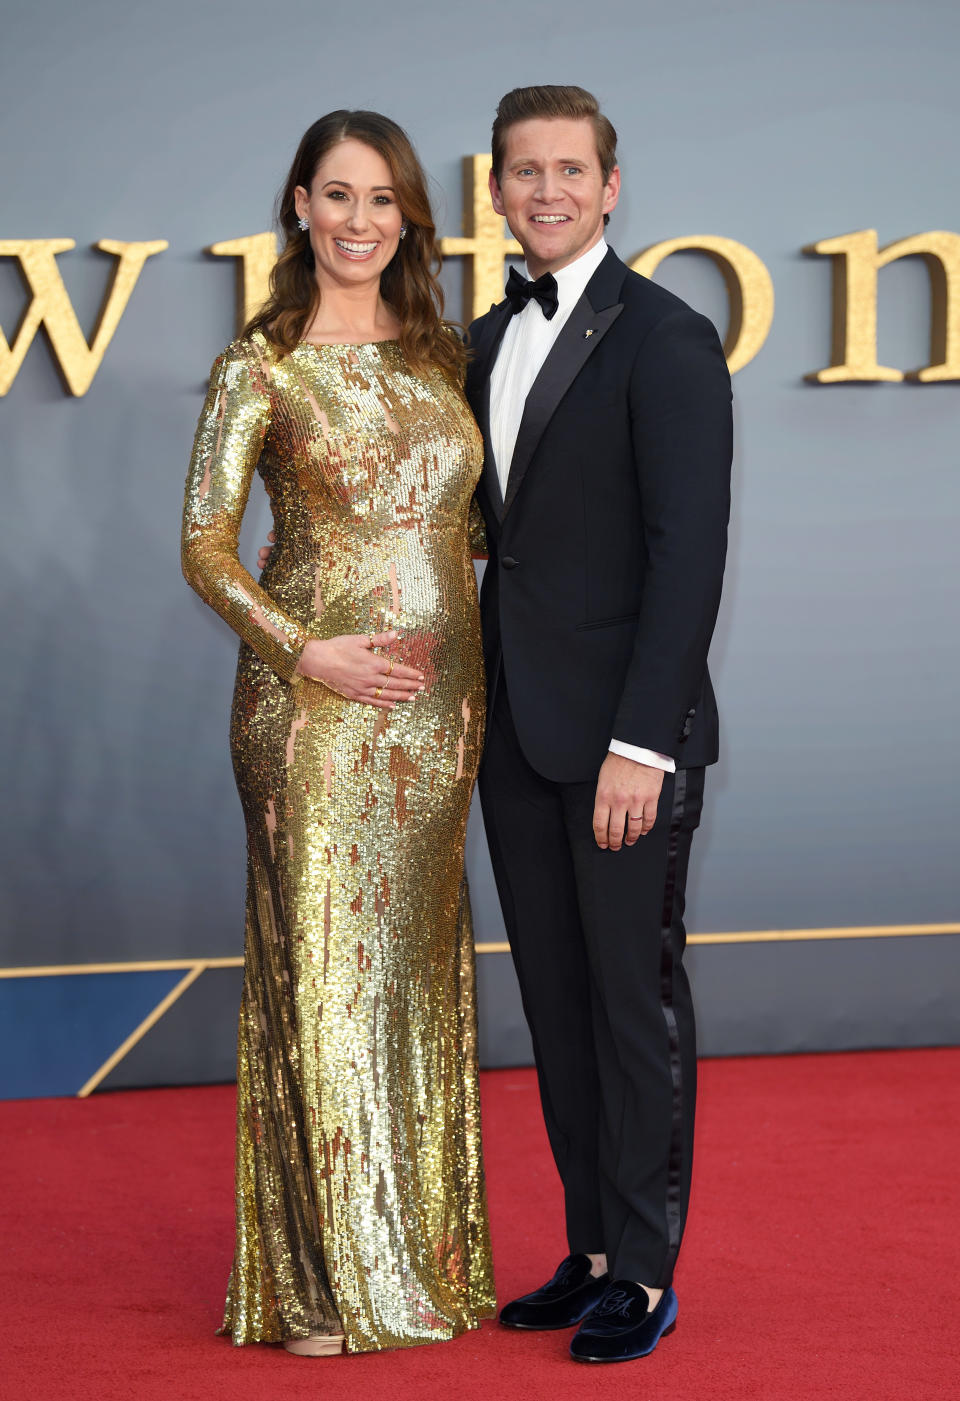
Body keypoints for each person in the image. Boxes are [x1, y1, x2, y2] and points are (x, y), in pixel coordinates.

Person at [181, 110, 495, 1356]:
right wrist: (303, 645)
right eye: (339, 195)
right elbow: (204, 544)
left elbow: (463, 532)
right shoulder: (257, 367)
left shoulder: (442, 355)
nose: (361, 220)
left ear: (409, 218)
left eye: (385, 200)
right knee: (325, 974)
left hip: (437, 715)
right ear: (299, 206)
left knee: (413, 977)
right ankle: (322, 1285)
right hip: (309, 708)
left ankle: (422, 1262)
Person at [465, 85, 733, 1364]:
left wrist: (646, 743)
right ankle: (586, 1251)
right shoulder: (477, 341)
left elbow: (689, 561)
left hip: (624, 745)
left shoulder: (667, 338)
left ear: (612, 185)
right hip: (514, 735)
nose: (549, 190)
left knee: (633, 1002)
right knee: (557, 1006)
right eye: (526, 170)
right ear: (497, 188)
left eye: (572, 169)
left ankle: (646, 1268)